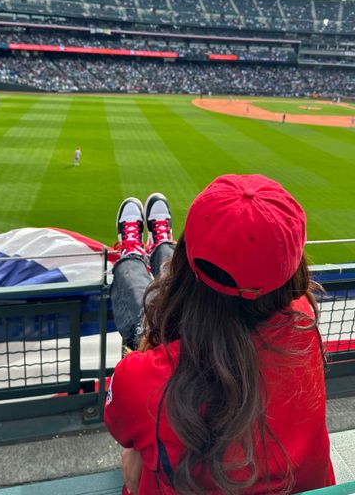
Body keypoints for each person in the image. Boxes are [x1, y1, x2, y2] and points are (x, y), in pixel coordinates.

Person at [105, 175, 335, 494]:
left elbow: (123, 432)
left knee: (133, 457)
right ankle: (159, 244)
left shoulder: (140, 379)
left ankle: (133, 253)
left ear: (184, 264)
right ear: (292, 270)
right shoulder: (303, 321)